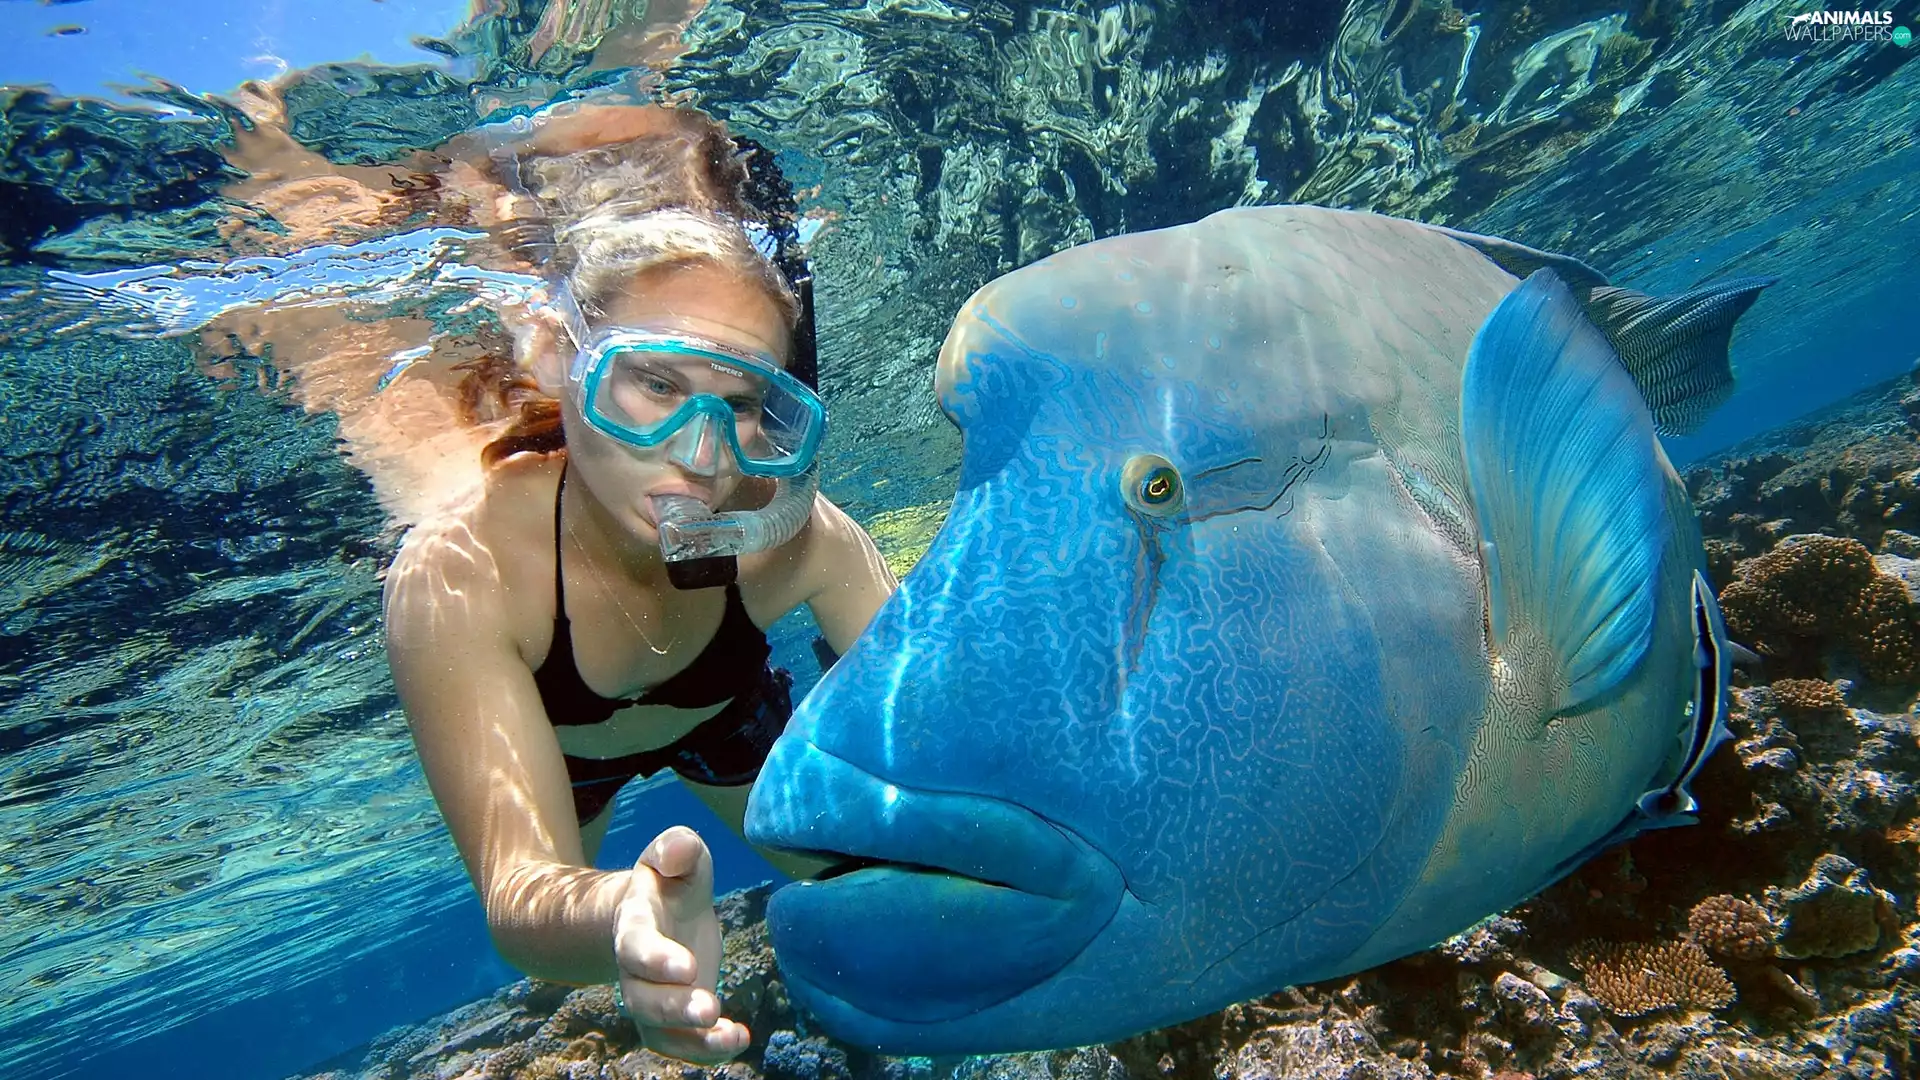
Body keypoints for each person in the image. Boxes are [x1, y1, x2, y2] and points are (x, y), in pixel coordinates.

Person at [380, 102, 897, 1065]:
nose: (699, 461)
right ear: (555, 355)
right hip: (568, 753)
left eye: (744, 404)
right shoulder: (465, 574)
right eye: (653, 386)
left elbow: (949, 711)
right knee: (565, 966)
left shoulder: (796, 540)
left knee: (851, 874)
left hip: (720, 708)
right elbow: (521, 895)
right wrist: (622, 909)